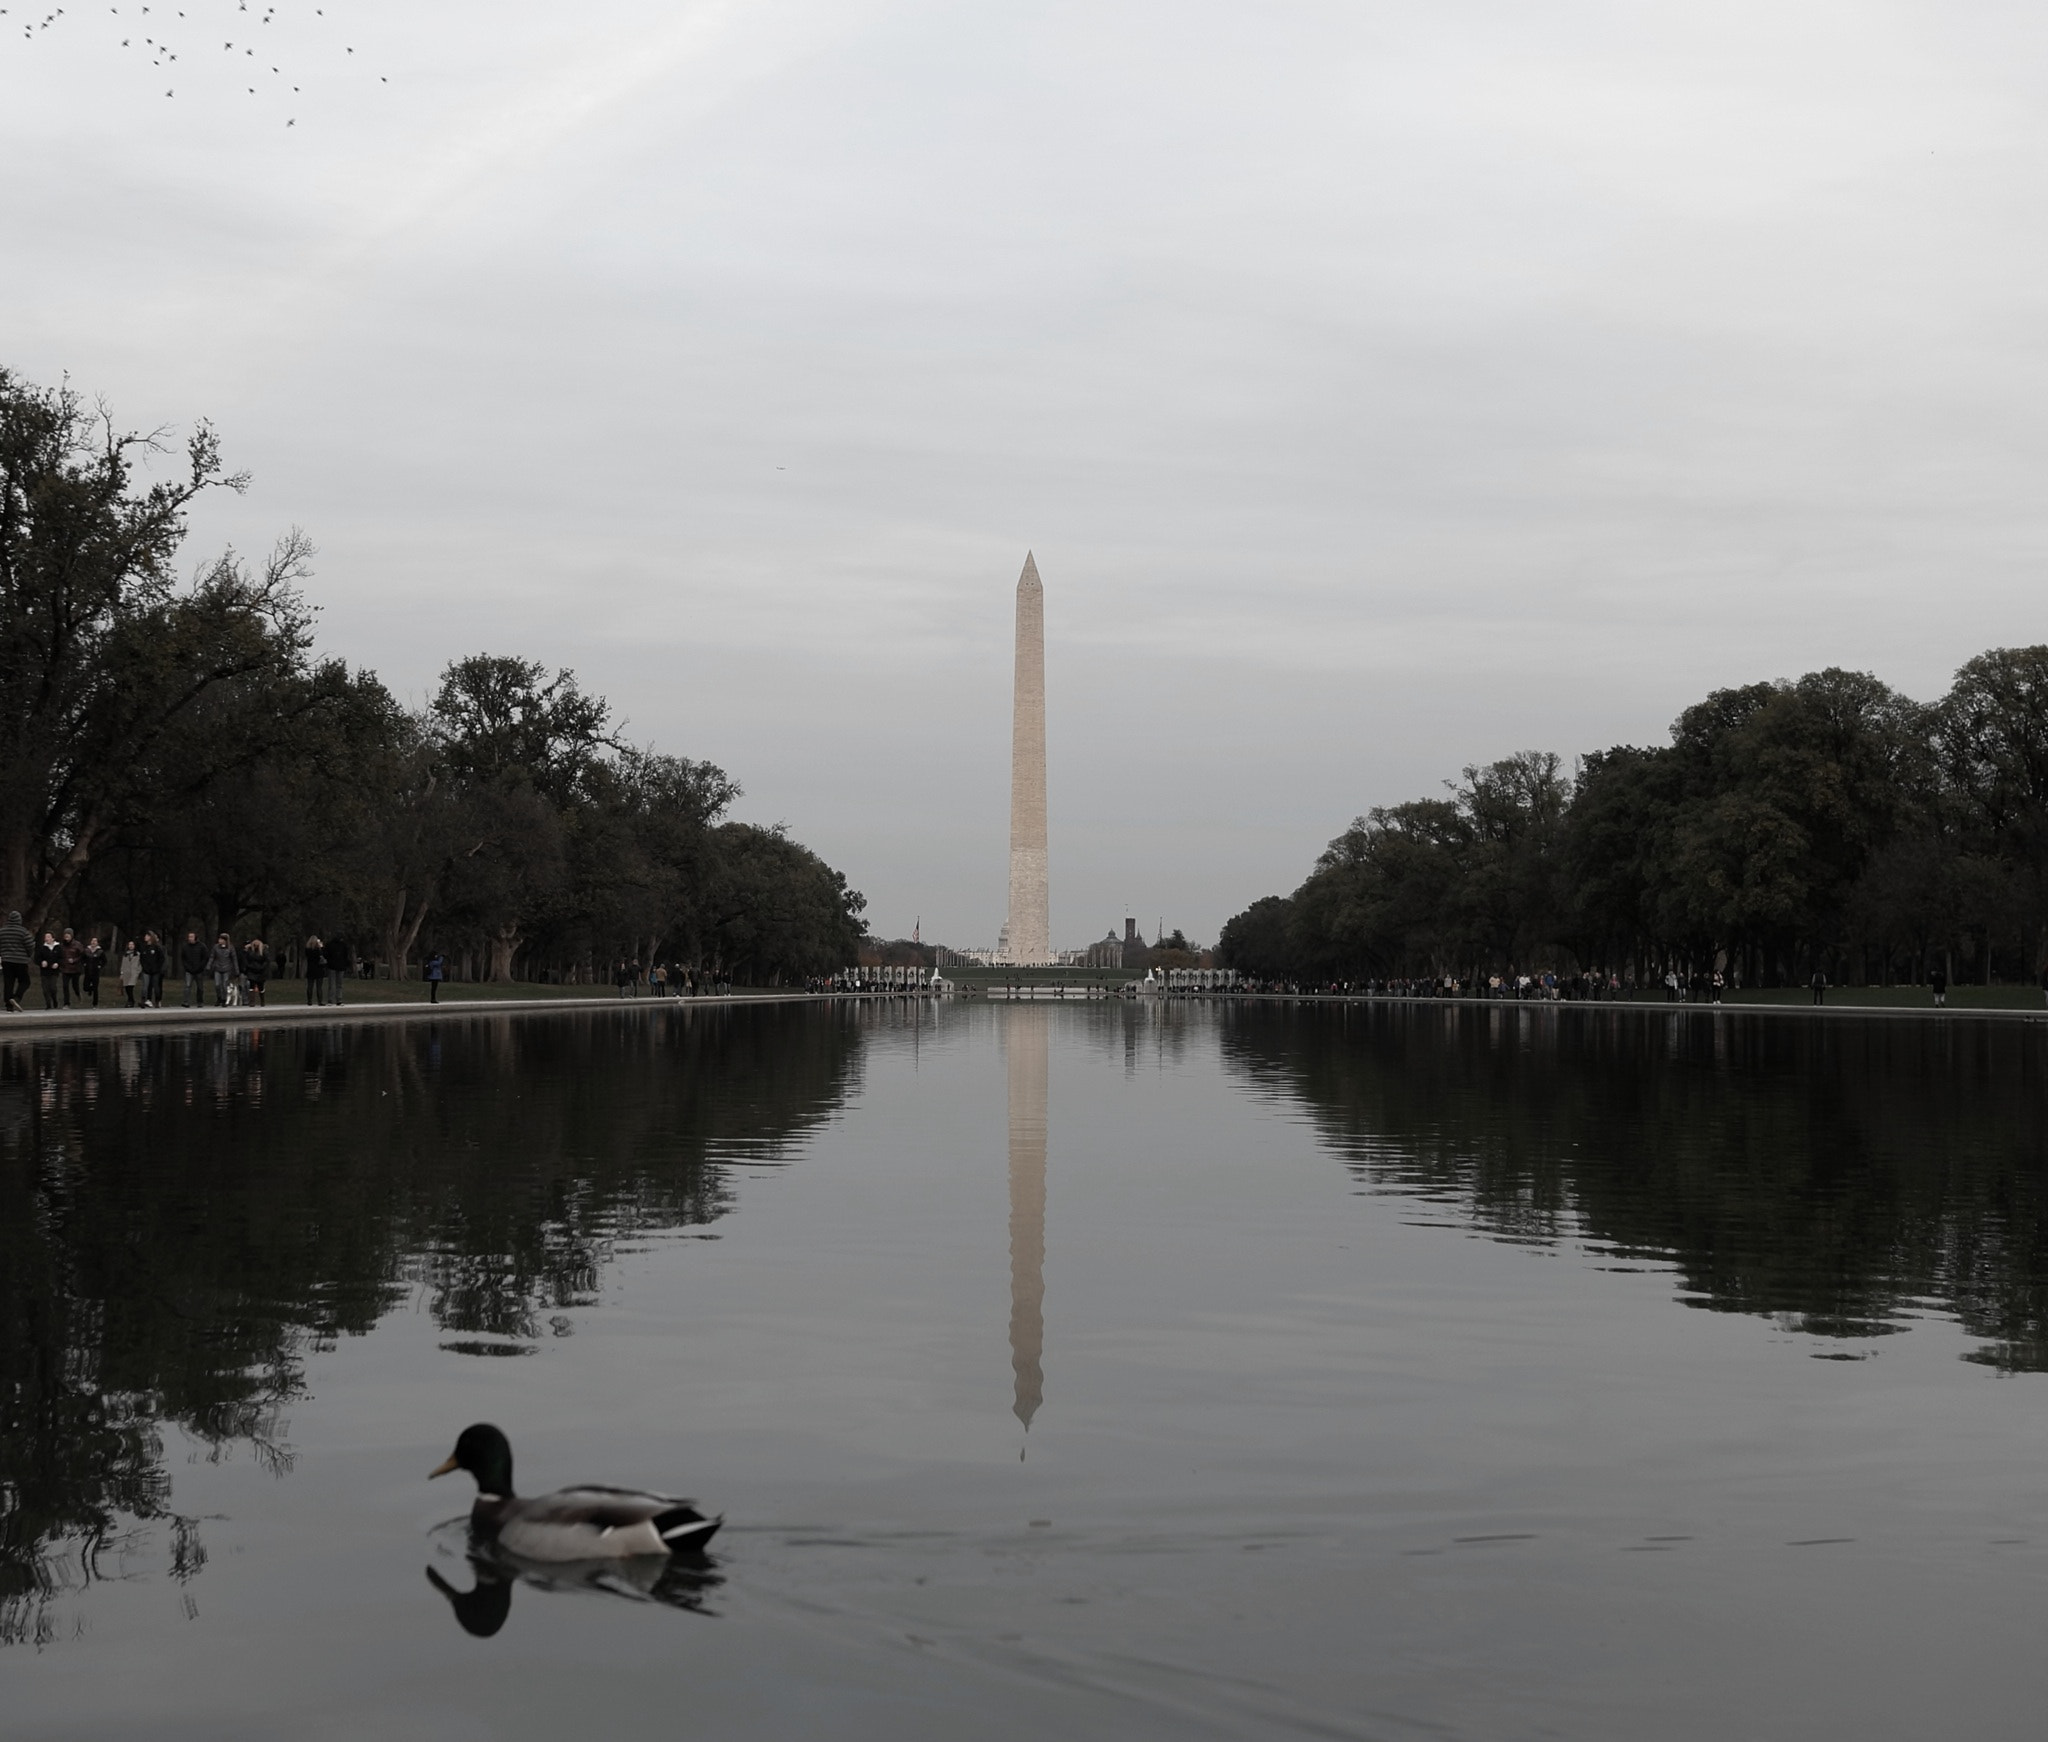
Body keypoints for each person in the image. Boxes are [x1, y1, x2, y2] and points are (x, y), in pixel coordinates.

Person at [0, 910, 31, 1012]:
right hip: (20, 960)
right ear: (19, 920)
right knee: (25, 981)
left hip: (6, 960)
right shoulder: (23, 931)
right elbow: (30, 945)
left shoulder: (2, 931)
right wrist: (28, 955)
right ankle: (16, 998)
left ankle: (9, 1005)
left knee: (8, 982)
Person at [208, 932, 238, 1006]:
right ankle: (219, 998)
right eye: (219, 939)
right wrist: (209, 965)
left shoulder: (230, 948)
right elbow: (212, 956)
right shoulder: (216, 947)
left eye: (221, 939)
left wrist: (236, 969)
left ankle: (224, 999)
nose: (219, 940)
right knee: (217, 984)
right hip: (217, 967)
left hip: (227, 968)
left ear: (225, 940)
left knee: (225, 985)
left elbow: (234, 959)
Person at [180, 930, 209, 1007]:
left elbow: (205, 958)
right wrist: (187, 967)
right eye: (189, 937)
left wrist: (201, 967)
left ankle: (200, 1002)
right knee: (187, 986)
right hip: (189, 970)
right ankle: (185, 1001)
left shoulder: (202, 946)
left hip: (199, 970)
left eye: (191, 937)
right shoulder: (185, 947)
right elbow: (183, 958)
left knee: (200, 987)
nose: (190, 938)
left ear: (195, 937)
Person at [139, 932, 166, 1008]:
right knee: (145, 986)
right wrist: (144, 967)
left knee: (156, 986)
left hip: (155, 971)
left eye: (147, 936)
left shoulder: (157, 947)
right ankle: (143, 1000)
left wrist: (157, 968)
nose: (145, 937)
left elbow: (161, 958)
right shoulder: (144, 947)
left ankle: (157, 1001)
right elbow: (142, 959)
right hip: (146, 970)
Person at [241, 937, 270, 1007]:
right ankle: (252, 1002)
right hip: (252, 970)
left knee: (261, 987)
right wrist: (249, 966)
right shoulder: (250, 951)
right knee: (252, 985)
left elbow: (266, 961)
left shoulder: (264, 951)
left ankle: (262, 1001)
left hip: (261, 971)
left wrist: (262, 967)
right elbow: (245, 959)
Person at [59, 927, 84, 1006]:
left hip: (75, 969)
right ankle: (66, 1003)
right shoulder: (62, 945)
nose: (66, 937)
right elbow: (59, 956)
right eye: (65, 935)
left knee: (75, 985)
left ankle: (78, 994)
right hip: (65, 969)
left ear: (71, 936)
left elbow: (82, 956)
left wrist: (74, 960)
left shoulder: (77, 945)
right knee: (65, 986)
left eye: (68, 935)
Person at [37, 931, 62, 1008]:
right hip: (44, 971)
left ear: (53, 938)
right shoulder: (42, 948)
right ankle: (48, 1004)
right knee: (45, 989)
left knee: (53, 987)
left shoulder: (58, 947)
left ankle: (54, 1000)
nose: (46, 938)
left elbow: (61, 958)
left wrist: (57, 963)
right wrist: (42, 962)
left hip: (54, 971)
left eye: (48, 937)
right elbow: (37, 958)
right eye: (45, 937)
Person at [325, 936, 349, 1007]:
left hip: (332, 966)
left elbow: (326, 954)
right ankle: (339, 1000)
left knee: (331, 984)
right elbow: (346, 955)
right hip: (340, 966)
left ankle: (330, 1000)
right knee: (339, 984)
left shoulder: (329, 944)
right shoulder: (343, 945)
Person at [81, 936, 104, 1007]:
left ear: (97, 943)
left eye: (95, 941)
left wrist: (100, 965)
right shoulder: (86, 950)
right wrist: (84, 964)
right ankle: (89, 989)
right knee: (85, 987)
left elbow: (104, 961)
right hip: (87, 971)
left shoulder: (100, 951)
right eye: (92, 941)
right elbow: (82, 959)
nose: (93, 942)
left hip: (95, 972)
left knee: (95, 988)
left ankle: (95, 1004)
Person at [119, 940, 142, 1007]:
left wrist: (138, 971)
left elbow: (140, 964)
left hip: (134, 972)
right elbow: (123, 964)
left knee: (130, 986)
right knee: (126, 987)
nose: (131, 946)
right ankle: (130, 1000)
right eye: (130, 944)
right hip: (126, 973)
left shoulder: (138, 954)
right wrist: (122, 972)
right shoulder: (125, 954)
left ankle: (131, 1001)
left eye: (132, 944)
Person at [304, 936, 325, 1004]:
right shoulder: (318, 950)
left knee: (310, 986)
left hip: (311, 968)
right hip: (318, 969)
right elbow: (322, 956)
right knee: (319, 986)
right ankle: (320, 1001)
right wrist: (321, 947)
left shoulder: (307, 950)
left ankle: (309, 1000)